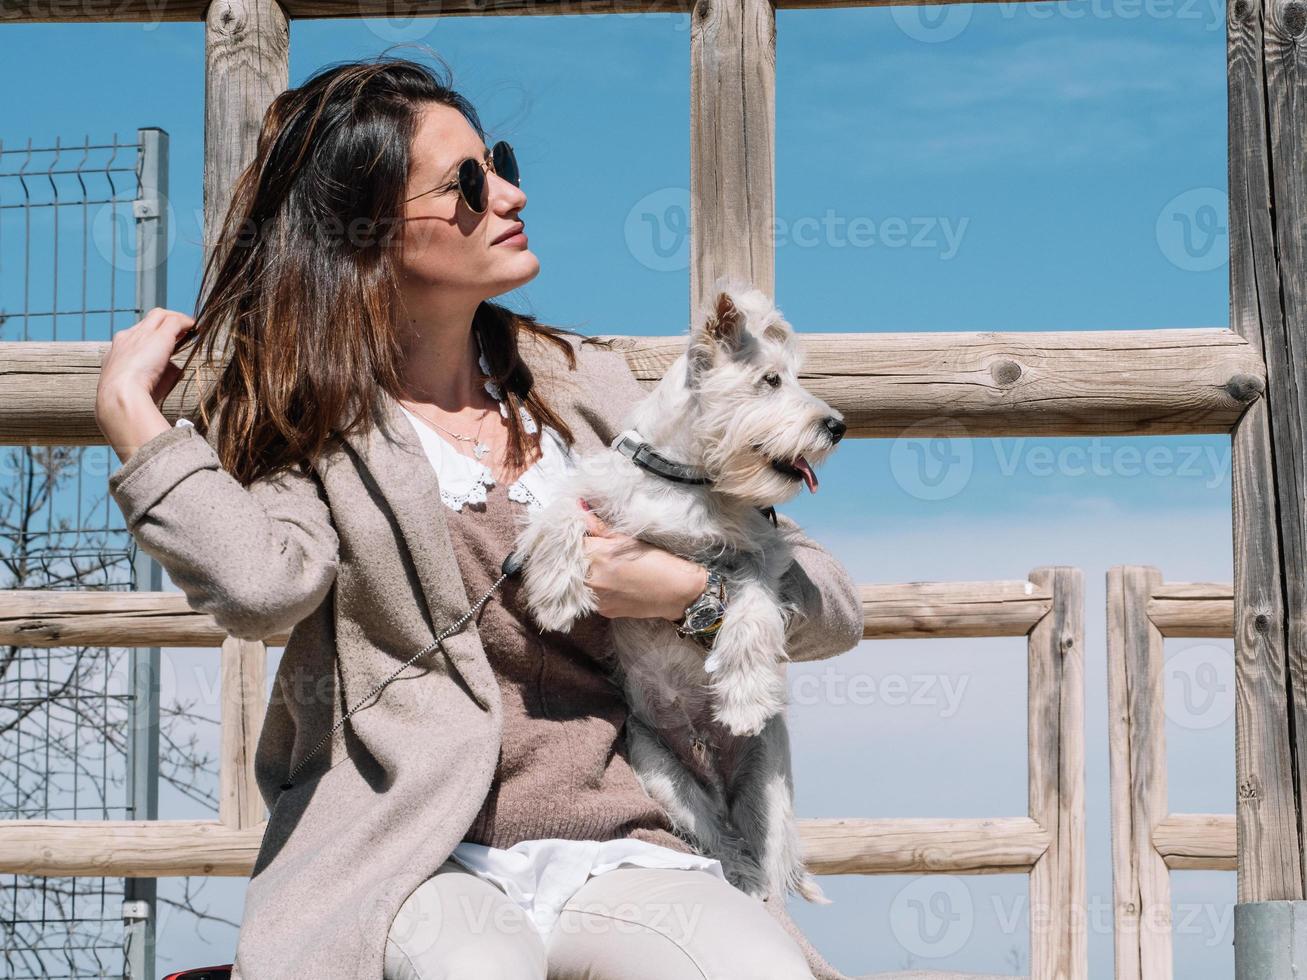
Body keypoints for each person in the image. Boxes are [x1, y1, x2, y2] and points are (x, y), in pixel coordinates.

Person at [95, 53, 864, 980]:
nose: (510, 193)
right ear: (367, 231)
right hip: (413, 850)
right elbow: (262, 591)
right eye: (468, 182)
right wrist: (141, 426)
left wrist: (689, 595)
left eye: (497, 161)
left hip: (626, 836)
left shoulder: (593, 389)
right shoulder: (312, 423)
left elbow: (827, 603)